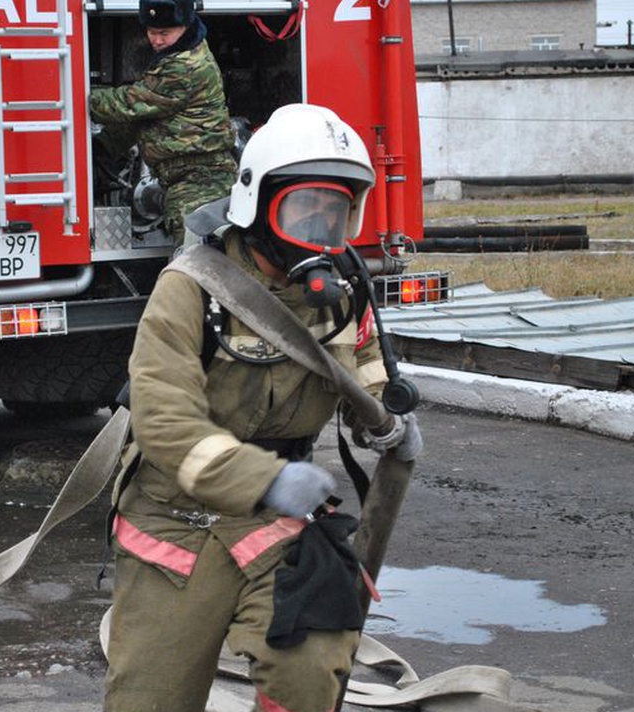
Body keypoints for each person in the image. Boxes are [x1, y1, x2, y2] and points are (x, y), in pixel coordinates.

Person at [102, 104, 423, 711]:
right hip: (175, 520)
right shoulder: (193, 287)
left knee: (312, 669)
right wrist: (268, 478)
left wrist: (387, 421)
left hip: (280, 524)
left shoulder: (343, 294)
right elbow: (165, 425)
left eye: (337, 213)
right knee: (149, 700)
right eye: (306, 210)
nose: (323, 231)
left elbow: (366, 368)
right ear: (257, 203)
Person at [88, 0, 236, 246]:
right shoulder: (180, 51)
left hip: (199, 182)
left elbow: (128, 103)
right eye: (151, 32)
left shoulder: (185, 66)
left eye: (164, 33)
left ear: (185, 26)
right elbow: (146, 117)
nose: (156, 40)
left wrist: (75, 92)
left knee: (197, 265)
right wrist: (104, 147)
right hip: (188, 177)